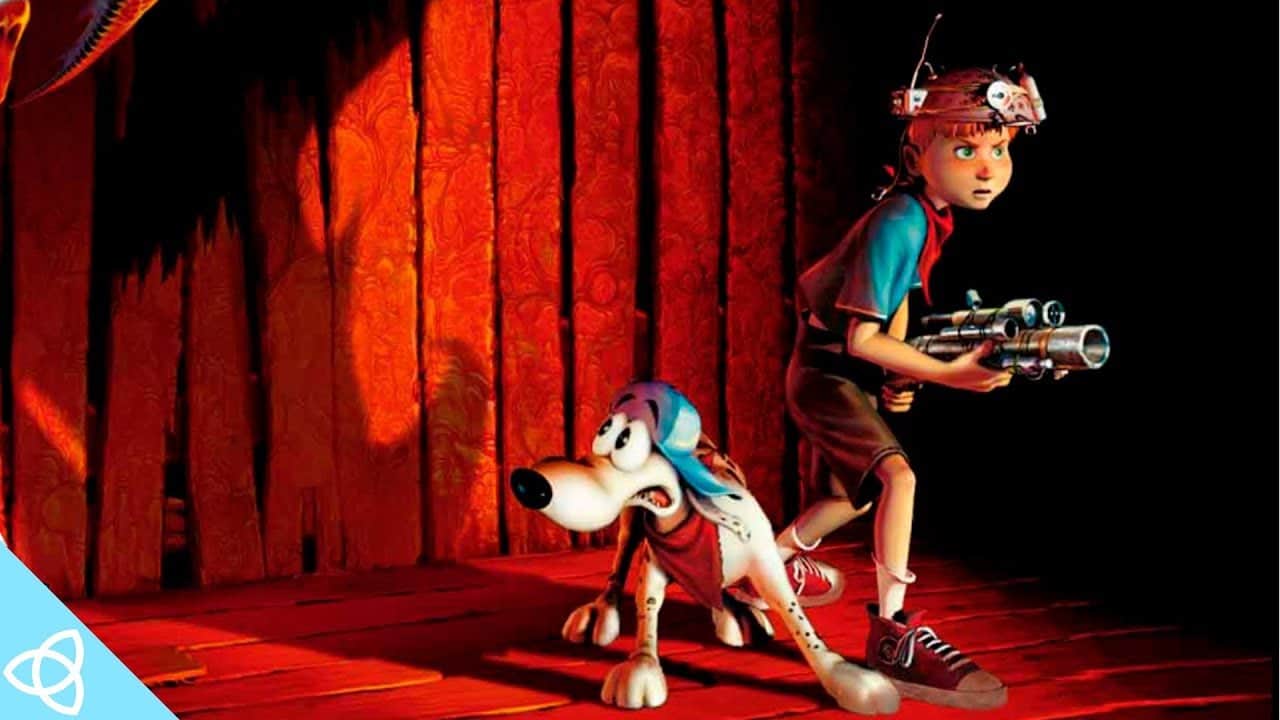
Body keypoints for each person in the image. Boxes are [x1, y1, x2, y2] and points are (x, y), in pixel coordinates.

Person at [731, 57, 1048, 710]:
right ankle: (893, 634)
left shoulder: (928, 215)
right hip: (824, 370)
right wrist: (950, 374)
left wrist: (897, 371)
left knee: (851, 499)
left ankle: (754, 573)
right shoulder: (901, 219)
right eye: (965, 150)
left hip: (839, 369)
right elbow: (860, 337)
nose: (987, 169)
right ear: (915, 154)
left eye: (999, 150)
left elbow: (896, 300)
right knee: (899, 480)